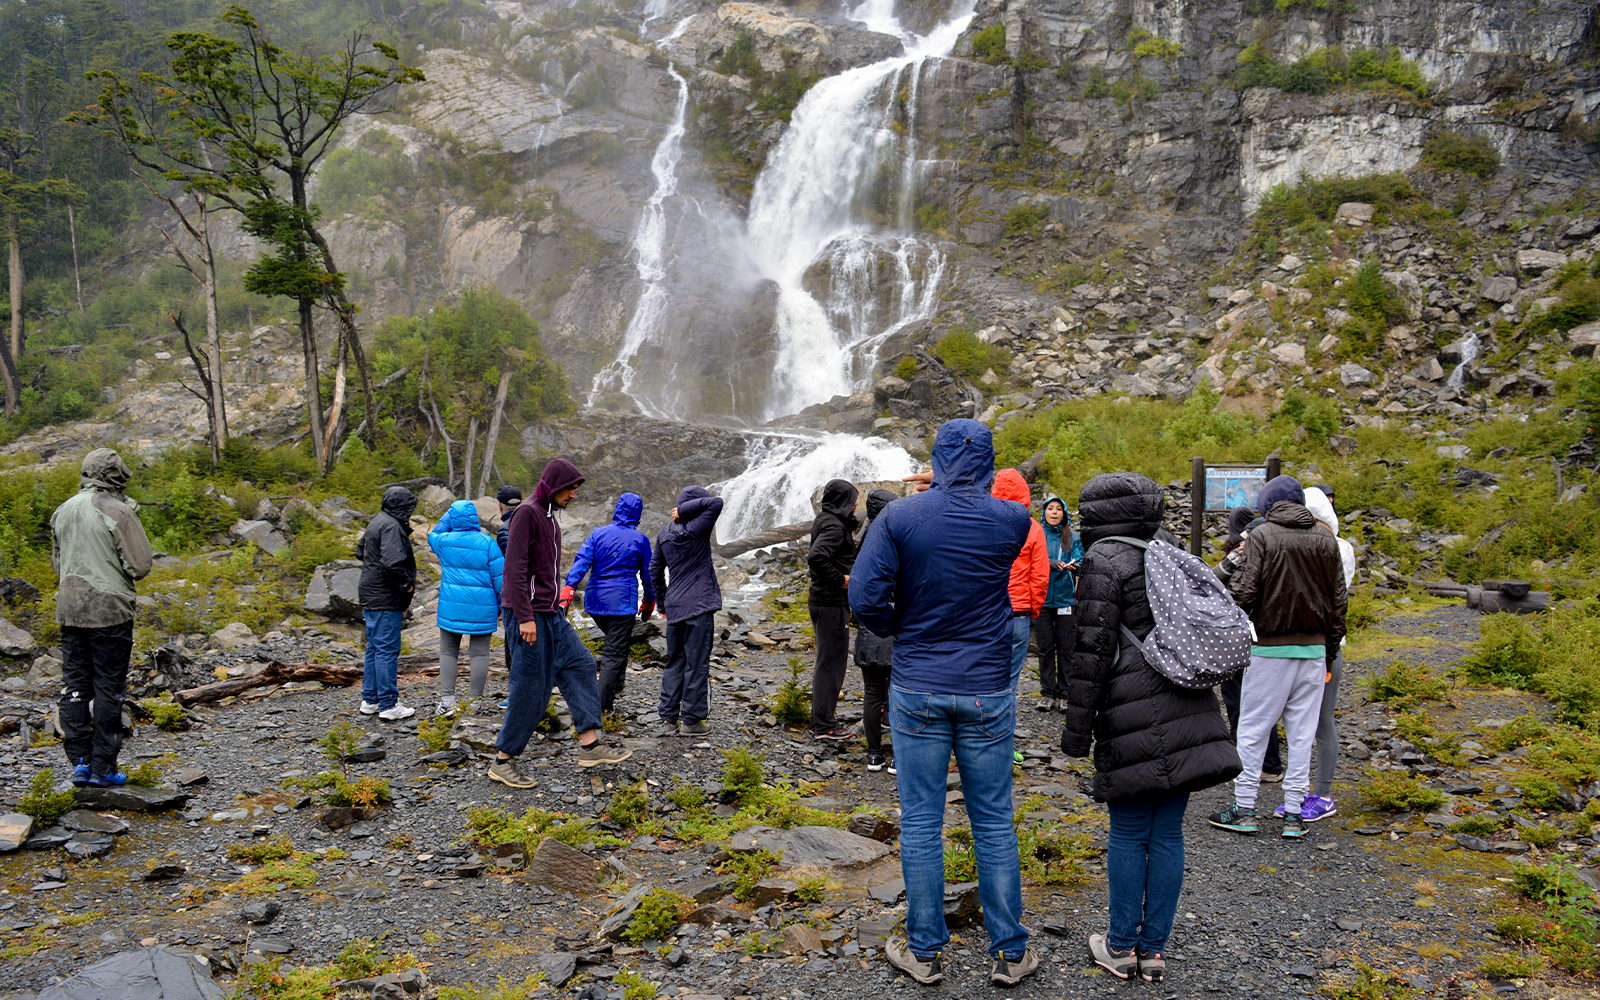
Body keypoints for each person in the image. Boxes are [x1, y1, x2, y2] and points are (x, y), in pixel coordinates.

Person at [851, 418, 1039, 988]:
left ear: (937, 457)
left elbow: (863, 596)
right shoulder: (1012, 519)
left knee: (922, 822)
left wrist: (900, 625)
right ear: (986, 461)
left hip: (917, 683)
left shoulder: (900, 516)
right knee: (994, 822)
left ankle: (926, 950)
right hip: (985, 685)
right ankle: (1010, 953)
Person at [1061, 472, 1241, 983]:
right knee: (1166, 834)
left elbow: (1092, 653)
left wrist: (1076, 734)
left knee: (1127, 831)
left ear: (1096, 513)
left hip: (1130, 710)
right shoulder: (1170, 550)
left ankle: (1120, 947)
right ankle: (1153, 952)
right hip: (1188, 703)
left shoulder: (1101, 560)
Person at [1209, 475, 1347, 839]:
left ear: (1268, 504)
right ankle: (1294, 816)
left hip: (1270, 649)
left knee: (1253, 730)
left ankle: (1244, 809)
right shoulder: (1325, 539)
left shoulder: (1263, 536)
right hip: (1315, 651)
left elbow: (1243, 592)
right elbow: (1338, 604)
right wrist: (1329, 653)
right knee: (1302, 735)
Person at [491, 459, 632, 787]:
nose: (573, 495)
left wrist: (557, 603)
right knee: (531, 685)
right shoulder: (527, 513)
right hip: (528, 615)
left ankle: (590, 745)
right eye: (570, 489)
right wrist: (525, 616)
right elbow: (514, 569)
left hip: (550, 612)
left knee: (580, 663)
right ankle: (503, 760)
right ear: (553, 486)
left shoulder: (550, 517)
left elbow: (546, 570)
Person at [51, 448, 154, 787]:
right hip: (109, 609)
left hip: (69, 607)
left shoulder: (62, 511)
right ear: (116, 476)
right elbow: (139, 566)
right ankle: (102, 768)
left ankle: (79, 762)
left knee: (75, 687)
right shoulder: (117, 510)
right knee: (109, 688)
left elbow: (58, 565)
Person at [1272, 487, 1355, 823]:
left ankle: (1323, 794)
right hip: (1302, 646)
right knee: (1297, 723)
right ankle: (1301, 792)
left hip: (1324, 649)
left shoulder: (1338, 548)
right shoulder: (1311, 545)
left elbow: (1329, 598)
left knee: (1321, 723)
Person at [562, 492, 655, 715]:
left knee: (616, 646)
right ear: (638, 514)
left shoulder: (598, 534)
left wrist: (569, 587)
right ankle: (602, 706)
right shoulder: (640, 539)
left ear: (617, 509)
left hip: (595, 603)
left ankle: (617, 684)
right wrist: (649, 601)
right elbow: (647, 575)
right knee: (614, 652)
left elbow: (582, 561)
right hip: (622, 604)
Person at [1215, 506, 1284, 782]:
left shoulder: (1247, 559)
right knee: (1262, 704)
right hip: (1267, 641)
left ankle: (1247, 764)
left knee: (1240, 702)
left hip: (1244, 640)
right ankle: (1269, 764)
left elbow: (1221, 587)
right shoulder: (1279, 559)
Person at [649, 485, 725, 737]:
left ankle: (668, 720)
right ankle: (691, 721)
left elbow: (655, 571)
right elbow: (716, 502)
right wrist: (683, 510)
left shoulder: (663, 533)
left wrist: (662, 603)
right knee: (697, 664)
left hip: (675, 606)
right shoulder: (698, 528)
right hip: (699, 606)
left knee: (675, 663)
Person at [428, 499, 504, 715]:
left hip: (451, 606)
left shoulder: (443, 541)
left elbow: (433, 533)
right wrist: (500, 607)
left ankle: (448, 702)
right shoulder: (488, 543)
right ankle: (475, 704)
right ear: (474, 518)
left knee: (448, 652)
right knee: (479, 655)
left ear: (453, 518)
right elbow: (500, 580)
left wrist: (447, 516)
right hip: (483, 606)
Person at [358, 486, 419, 722]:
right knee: (386, 649)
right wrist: (407, 585)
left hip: (371, 593)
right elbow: (393, 562)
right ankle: (388, 704)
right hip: (385, 596)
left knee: (374, 647)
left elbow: (360, 550)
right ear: (403, 507)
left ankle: (370, 700)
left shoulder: (378, 521)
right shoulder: (393, 526)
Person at [807, 479, 859, 742]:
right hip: (830, 601)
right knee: (831, 664)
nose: (856, 505)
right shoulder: (835, 527)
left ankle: (822, 719)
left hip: (821, 600)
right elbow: (816, 557)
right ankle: (824, 725)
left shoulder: (825, 519)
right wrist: (841, 579)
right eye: (852, 500)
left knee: (826, 661)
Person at [854, 488, 898, 772]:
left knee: (872, 693)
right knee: (897, 694)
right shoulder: (895, 539)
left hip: (869, 627)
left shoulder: (863, 541)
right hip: (895, 626)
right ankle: (897, 756)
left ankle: (874, 755)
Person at [1034, 494, 1082, 713]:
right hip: (1041, 599)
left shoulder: (1072, 536)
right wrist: (1049, 563)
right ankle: (1047, 694)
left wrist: (1075, 566)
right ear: (1044, 513)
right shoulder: (1036, 534)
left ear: (1064, 514)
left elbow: (1081, 559)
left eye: (1058, 509)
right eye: (1050, 508)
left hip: (1065, 599)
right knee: (1044, 649)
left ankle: (1065, 694)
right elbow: (1031, 560)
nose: (1054, 512)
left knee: (1066, 649)